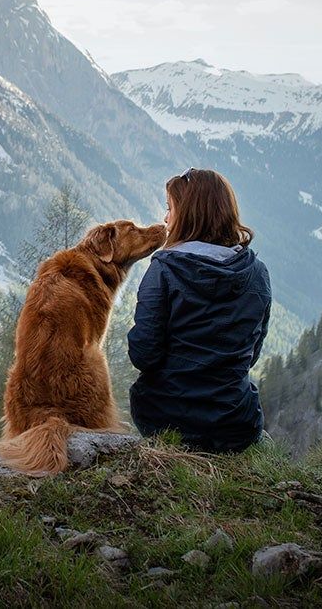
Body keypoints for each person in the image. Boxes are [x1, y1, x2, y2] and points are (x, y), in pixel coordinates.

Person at [126, 168, 271, 451]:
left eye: (170, 208)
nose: (166, 218)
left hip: (164, 419)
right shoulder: (257, 273)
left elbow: (143, 355)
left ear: (191, 213)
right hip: (236, 425)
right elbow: (251, 355)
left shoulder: (164, 270)